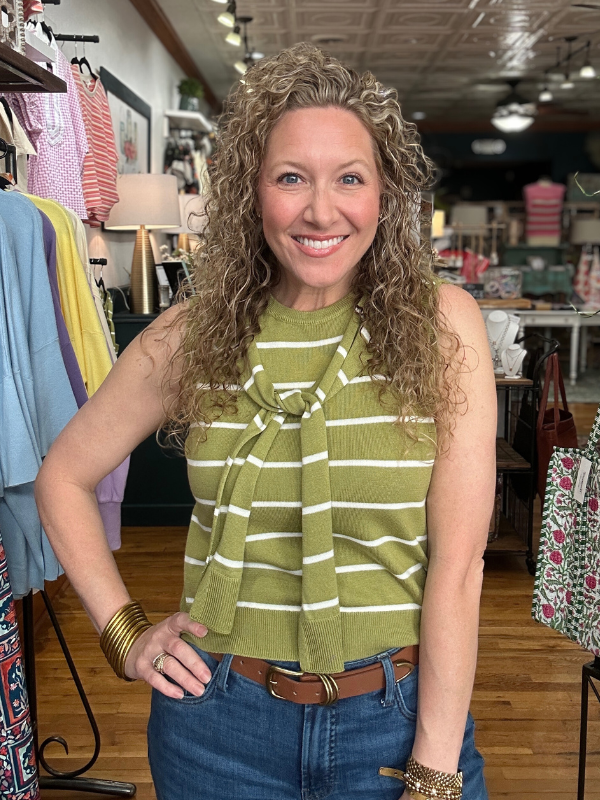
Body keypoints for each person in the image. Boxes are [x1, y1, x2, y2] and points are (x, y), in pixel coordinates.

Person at [35, 44, 496, 800]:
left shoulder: (443, 325)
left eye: (350, 178)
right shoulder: (192, 334)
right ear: (252, 192)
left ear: (385, 194)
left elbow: (458, 569)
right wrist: (124, 632)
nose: (321, 210)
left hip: (399, 722)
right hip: (214, 726)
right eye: (291, 178)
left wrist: (435, 771)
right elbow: (63, 475)